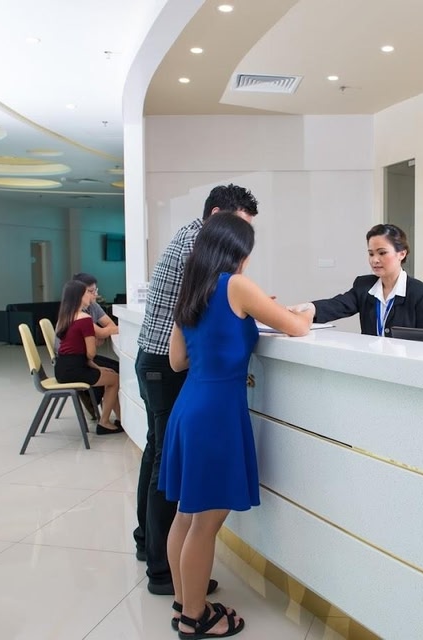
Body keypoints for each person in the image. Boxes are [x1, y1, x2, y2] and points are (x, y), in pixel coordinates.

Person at [161, 212, 313, 638]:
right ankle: (195, 619)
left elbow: (177, 361)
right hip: (217, 415)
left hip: (189, 406)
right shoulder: (237, 285)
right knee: (206, 523)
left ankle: (183, 601)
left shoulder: (192, 290)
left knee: (186, 515)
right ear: (236, 251)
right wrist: (307, 310)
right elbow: (297, 327)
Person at [133, 184, 259, 597]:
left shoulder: (193, 245)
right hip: (174, 370)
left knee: (161, 463)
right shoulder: (201, 248)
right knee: (171, 480)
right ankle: (166, 575)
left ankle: (160, 559)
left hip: (165, 363)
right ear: (218, 218)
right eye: (237, 229)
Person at [291, 223, 423, 336]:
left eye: (382, 253)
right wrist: (310, 307)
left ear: (401, 254)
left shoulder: (422, 294)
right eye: (371, 254)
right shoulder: (364, 285)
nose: (375, 260)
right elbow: (338, 305)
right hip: (370, 362)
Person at [54, 280, 123, 434]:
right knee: (115, 380)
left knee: (110, 374)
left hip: (62, 369)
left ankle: (120, 419)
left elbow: (80, 354)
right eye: (88, 292)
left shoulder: (67, 316)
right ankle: (104, 422)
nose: (92, 295)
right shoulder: (84, 318)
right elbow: (91, 353)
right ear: (79, 296)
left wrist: (98, 367)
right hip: (76, 370)